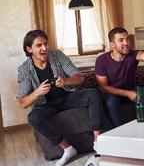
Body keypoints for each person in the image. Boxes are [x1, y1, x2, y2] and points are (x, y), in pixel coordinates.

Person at [17, 30, 103, 166]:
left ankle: (98, 143)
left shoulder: (57, 56)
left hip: (67, 97)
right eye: (39, 45)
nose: (44, 48)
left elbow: (79, 77)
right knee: (33, 118)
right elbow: (23, 102)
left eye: (45, 44)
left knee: (92, 94)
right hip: (46, 104)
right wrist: (37, 92)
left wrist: (65, 81)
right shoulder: (24, 69)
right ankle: (68, 149)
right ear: (29, 49)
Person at [95, 27, 144, 127]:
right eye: (121, 40)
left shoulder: (132, 54)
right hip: (113, 93)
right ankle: (120, 132)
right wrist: (128, 93)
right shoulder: (102, 60)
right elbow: (103, 87)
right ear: (112, 44)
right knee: (111, 103)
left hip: (130, 89)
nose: (126, 43)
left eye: (127, 39)